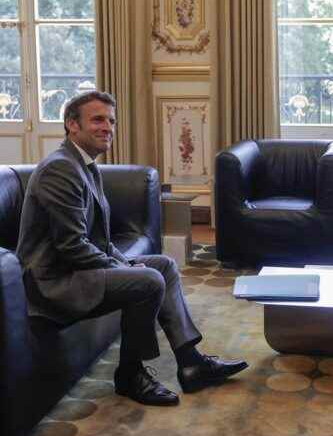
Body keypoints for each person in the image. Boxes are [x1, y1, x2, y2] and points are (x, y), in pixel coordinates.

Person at [16, 91, 248, 406]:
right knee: (149, 280)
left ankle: (191, 362)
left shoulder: (85, 165)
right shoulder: (61, 169)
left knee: (163, 265)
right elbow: (72, 247)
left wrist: (125, 262)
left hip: (75, 269)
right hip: (54, 283)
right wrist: (128, 270)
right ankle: (130, 374)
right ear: (72, 124)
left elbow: (100, 241)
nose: (107, 127)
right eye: (97, 119)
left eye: (111, 120)